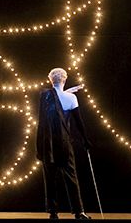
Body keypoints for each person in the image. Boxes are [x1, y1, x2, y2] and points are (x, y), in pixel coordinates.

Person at [36, 67, 92, 220]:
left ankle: (53, 212)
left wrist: (66, 91)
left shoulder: (44, 96)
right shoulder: (71, 98)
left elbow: (54, 103)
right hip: (64, 143)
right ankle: (79, 212)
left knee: (50, 179)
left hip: (47, 144)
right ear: (65, 79)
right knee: (71, 178)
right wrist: (85, 139)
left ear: (50, 80)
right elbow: (78, 122)